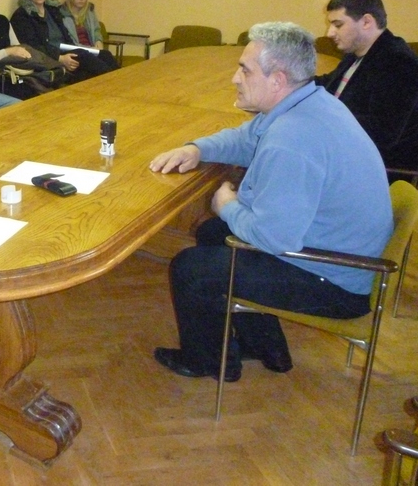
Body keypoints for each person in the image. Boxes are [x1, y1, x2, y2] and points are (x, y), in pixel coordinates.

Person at [148, 22, 392, 382]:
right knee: (214, 233)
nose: (235, 78)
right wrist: (196, 149)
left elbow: (273, 238)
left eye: (245, 70)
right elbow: (246, 139)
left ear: (277, 80)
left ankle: (209, 362)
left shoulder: (293, 138)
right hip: (338, 254)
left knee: (191, 268)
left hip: (334, 281)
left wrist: (227, 205)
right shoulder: (308, 103)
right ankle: (266, 346)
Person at [315, 0, 418, 177]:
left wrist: (321, 118)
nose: (329, 33)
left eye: (338, 25)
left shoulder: (398, 62)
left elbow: (383, 132)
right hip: (346, 153)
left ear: (366, 22)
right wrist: (290, 83)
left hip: (379, 169)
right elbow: (328, 84)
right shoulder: (356, 54)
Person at [10, 0, 117, 83]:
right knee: (85, 58)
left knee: (104, 54)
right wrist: (60, 58)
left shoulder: (52, 10)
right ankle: (115, 82)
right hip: (50, 57)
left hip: (66, 49)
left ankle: (117, 82)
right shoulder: (22, 16)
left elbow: (66, 35)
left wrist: (74, 48)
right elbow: (33, 47)